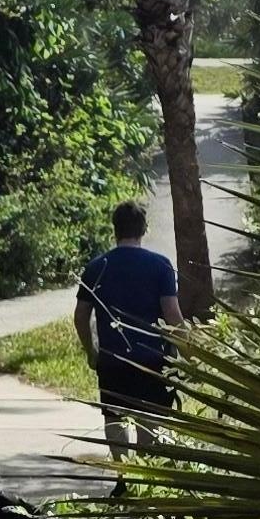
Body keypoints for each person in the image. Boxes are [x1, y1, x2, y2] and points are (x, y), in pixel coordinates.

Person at [74, 199, 183, 465]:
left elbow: (80, 317)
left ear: (115, 229)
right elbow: (172, 315)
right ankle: (145, 478)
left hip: (113, 359)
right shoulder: (161, 266)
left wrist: (92, 350)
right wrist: (185, 351)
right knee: (150, 422)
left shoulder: (97, 267)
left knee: (114, 418)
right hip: (152, 360)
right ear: (144, 229)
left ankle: (122, 474)